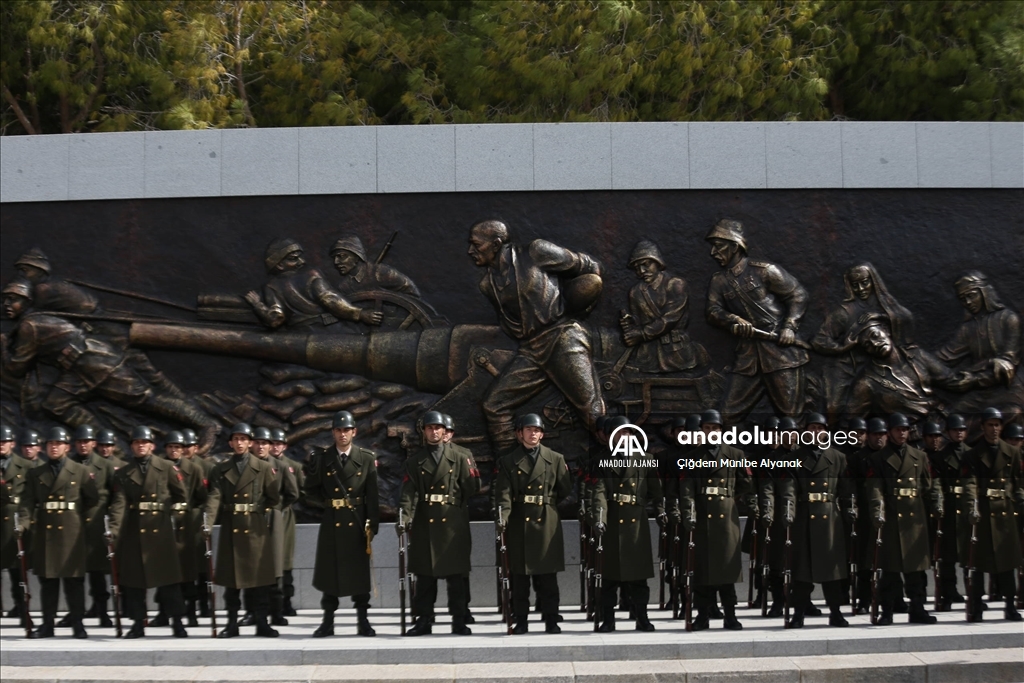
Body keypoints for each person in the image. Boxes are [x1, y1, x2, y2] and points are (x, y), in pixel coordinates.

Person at [1, 278, 220, 452]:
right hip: (77, 368)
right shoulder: (34, 321)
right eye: (6, 300)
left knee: (145, 398)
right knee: (56, 403)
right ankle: (114, 447)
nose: (7, 305)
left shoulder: (31, 325)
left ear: (28, 302)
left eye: (14, 299)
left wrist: (2, 346)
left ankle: (205, 424)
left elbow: (17, 368)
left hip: (95, 361)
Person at [468, 220, 605, 453]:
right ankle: (510, 469)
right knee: (494, 405)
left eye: (476, 245)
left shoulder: (536, 252)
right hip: (531, 348)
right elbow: (511, 324)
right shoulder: (487, 285)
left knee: (592, 414)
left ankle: (626, 465)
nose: (470, 251)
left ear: (496, 244)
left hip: (562, 338)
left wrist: (580, 308)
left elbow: (590, 268)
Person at [704, 220, 809, 423]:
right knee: (727, 415)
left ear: (735, 245)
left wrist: (789, 326)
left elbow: (798, 295)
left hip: (780, 353)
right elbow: (712, 311)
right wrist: (732, 319)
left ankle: (798, 454)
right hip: (748, 357)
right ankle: (727, 454)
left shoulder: (765, 270)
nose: (713, 252)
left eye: (718, 246)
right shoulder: (719, 280)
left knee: (792, 417)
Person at [399, 411, 479, 636]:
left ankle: (459, 619)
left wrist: (454, 505)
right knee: (424, 577)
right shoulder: (415, 461)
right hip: (426, 522)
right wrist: (404, 517)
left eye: (438, 428)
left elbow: (471, 487)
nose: (434, 431)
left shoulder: (462, 456)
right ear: (424, 432)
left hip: (453, 522)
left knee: (456, 577)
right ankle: (424, 620)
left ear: (445, 431)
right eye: (429, 428)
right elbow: (408, 494)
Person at [107, 426, 189, 638]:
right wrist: (113, 530)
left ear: (152, 446)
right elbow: (119, 503)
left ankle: (177, 622)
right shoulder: (124, 473)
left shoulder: (167, 467)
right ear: (132, 446)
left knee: (169, 581)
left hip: (161, 531)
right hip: (135, 532)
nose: (141, 445)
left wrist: (175, 518)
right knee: (134, 583)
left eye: (144, 442)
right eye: (136, 442)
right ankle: (137, 624)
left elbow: (181, 497)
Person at [17, 426, 99, 638]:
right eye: (51, 444)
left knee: (74, 583)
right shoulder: (36, 473)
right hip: (46, 533)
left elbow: (92, 499)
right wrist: (23, 524)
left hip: (72, 533)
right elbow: (27, 503)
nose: (54, 448)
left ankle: (78, 624)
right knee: (48, 583)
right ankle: (47, 625)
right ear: (45, 448)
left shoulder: (79, 471)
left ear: (66, 447)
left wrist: (81, 522)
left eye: (58, 444)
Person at [494, 413, 573, 633]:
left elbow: (564, 488)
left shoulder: (555, 458)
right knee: (519, 578)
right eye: (528, 430)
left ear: (542, 434)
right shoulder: (508, 461)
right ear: (520, 434)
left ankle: (551, 619)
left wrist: (547, 502)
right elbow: (503, 494)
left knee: (548, 576)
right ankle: (521, 620)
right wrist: (503, 518)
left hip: (547, 520)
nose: (533, 434)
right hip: (520, 522)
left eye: (537, 430)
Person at [303, 411, 380, 637]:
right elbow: (310, 490)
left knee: (359, 575)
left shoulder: (366, 458)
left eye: (346, 430)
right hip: (332, 522)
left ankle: (363, 621)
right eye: (338, 430)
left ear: (354, 432)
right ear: (333, 432)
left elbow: (373, 495)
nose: (342, 434)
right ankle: (328, 622)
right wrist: (329, 504)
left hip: (357, 524)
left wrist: (371, 525)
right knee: (330, 575)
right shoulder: (323, 458)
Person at [204, 423, 282, 638]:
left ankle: (262, 623)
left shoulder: (264, 468)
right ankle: (231, 624)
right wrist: (207, 523)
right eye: (235, 439)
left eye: (243, 439)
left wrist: (257, 510)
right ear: (230, 443)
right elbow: (215, 497)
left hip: (255, 527)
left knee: (259, 580)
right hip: (232, 527)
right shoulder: (221, 469)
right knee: (232, 582)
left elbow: (273, 497)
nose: (239, 443)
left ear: (250, 442)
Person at [865, 413, 943, 625]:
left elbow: (929, 486)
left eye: (905, 429)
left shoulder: (919, 456)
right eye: (898, 429)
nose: (902, 433)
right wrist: (877, 512)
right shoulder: (878, 459)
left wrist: (937, 504)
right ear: (890, 432)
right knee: (889, 573)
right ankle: (887, 611)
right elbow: (875, 489)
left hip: (914, 520)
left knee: (916, 573)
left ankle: (917, 609)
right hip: (891, 519)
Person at [678, 409, 752, 630]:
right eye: (707, 428)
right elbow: (687, 489)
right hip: (702, 518)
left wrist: (727, 496)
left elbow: (746, 483)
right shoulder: (692, 457)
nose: (711, 432)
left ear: (722, 431)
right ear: (701, 430)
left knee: (727, 570)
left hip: (726, 519)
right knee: (702, 571)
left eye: (715, 428)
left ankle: (730, 615)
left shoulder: (736, 454)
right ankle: (703, 616)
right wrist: (689, 513)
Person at [811, 263, 915, 420]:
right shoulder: (845, 312)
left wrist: (880, 316)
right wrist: (842, 348)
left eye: (864, 282)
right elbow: (819, 340)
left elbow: (906, 318)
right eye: (855, 285)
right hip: (848, 368)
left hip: (882, 364)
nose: (860, 289)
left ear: (873, 281)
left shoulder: (885, 303)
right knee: (833, 408)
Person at [591, 416, 664, 632]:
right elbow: (599, 493)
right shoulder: (602, 460)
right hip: (613, 521)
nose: (623, 437)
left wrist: (661, 513)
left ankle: (642, 617)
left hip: (636, 524)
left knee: (638, 576)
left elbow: (657, 493)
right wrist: (600, 518)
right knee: (609, 577)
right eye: (618, 433)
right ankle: (608, 619)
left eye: (626, 432)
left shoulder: (646, 460)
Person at [785, 413, 851, 628]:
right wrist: (789, 511)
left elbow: (846, 489)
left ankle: (836, 612)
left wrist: (851, 511)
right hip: (804, 516)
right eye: (812, 428)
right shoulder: (795, 456)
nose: (816, 432)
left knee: (832, 570)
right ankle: (798, 614)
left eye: (820, 428)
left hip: (830, 518)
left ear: (826, 432)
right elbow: (789, 488)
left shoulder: (837, 457)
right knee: (802, 572)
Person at [960, 407, 1023, 621]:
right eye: (990, 425)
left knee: (1007, 563)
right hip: (984, 513)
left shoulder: (1012, 452)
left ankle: (1009, 605)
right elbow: (969, 484)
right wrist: (971, 507)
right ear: (983, 427)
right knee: (978, 564)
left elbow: (1017, 481)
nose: (994, 429)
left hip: (1005, 513)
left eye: (997, 425)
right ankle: (976, 605)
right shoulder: (972, 454)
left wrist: (1019, 500)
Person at [244, 238, 382, 330]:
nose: (301, 262)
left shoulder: (271, 287)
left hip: (299, 339)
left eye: (300, 257)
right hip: (328, 331)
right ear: (279, 264)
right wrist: (360, 314)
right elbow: (330, 299)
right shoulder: (311, 275)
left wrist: (258, 305)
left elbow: (275, 319)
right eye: (293, 259)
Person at [936, 272, 1023, 417]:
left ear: (985, 292)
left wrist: (972, 381)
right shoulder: (968, 329)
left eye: (972, 295)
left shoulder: (1009, 319)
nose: (968, 302)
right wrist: (916, 359)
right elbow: (944, 357)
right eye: (963, 299)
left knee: (1012, 413)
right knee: (953, 417)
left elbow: (1007, 368)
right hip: (980, 394)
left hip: (1009, 390)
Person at [620, 239, 708, 374]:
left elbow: (670, 319)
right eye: (637, 268)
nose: (642, 271)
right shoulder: (635, 292)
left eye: (646, 264)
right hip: (647, 357)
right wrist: (630, 323)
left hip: (676, 354)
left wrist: (642, 334)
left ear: (657, 262)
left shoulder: (675, 285)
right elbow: (638, 320)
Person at [845, 315, 956, 421]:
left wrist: (973, 378)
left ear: (886, 330)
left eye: (875, 335)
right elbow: (849, 423)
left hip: (946, 423)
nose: (875, 344)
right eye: (867, 345)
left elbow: (953, 382)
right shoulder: (866, 383)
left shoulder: (916, 355)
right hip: (909, 436)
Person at [152, 430, 207, 628]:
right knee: (164, 572)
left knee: (188, 573)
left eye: (177, 447)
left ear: (184, 449)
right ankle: (163, 613)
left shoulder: (194, 469)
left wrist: (193, 517)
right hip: (164, 524)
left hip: (186, 527)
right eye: (170, 447)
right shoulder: (157, 467)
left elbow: (202, 498)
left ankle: (191, 613)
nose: (174, 450)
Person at [67, 425, 116, 628]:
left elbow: (114, 496)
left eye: (86, 441)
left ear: (93, 443)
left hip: (96, 524)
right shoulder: (68, 464)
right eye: (79, 441)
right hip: (73, 525)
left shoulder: (104, 466)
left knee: (97, 573)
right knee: (73, 574)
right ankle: (75, 614)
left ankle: (102, 612)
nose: (83, 445)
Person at [758, 417, 798, 618]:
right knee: (776, 563)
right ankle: (777, 602)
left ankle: (802, 601)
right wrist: (768, 512)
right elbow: (767, 489)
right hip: (778, 516)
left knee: (800, 563)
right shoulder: (771, 458)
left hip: (801, 515)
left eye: (792, 432)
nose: (789, 436)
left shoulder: (804, 456)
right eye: (784, 433)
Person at [442, 413, 479, 625]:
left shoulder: (463, 454)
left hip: (456, 516)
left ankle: (463, 608)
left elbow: (471, 485)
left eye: (447, 431)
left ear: (451, 433)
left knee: (460, 568)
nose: (443, 435)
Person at [929, 415, 970, 608]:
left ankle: (973, 593)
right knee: (947, 555)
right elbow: (936, 483)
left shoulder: (973, 454)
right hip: (950, 507)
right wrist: (939, 503)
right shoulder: (940, 457)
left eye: (961, 430)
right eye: (955, 430)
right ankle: (948, 592)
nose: (958, 433)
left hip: (967, 506)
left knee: (970, 553)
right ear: (948, 433)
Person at [1, 425, 34, 622]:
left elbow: (31, 497)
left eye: (4, 442)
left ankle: (23, 610)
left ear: (12, 444)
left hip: (15, 522)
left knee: (17, 571)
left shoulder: (26, 466)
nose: (1, 446)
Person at [330, 235, 422, 297]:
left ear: (357, 256)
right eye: (334, 258)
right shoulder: (345, 287)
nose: (336, 262)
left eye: (341, 256)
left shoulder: (381, 273)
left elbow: (411, 291)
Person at [270, 428, 300, 617]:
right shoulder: (263, 463)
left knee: (286, 560)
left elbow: (299, 491)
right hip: (268, 514)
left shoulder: (292, 466)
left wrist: (283, 506)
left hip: (285, 515)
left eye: (279, 444)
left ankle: (286, 601)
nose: (275, 447)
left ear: (285, 446)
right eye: (273, 443)